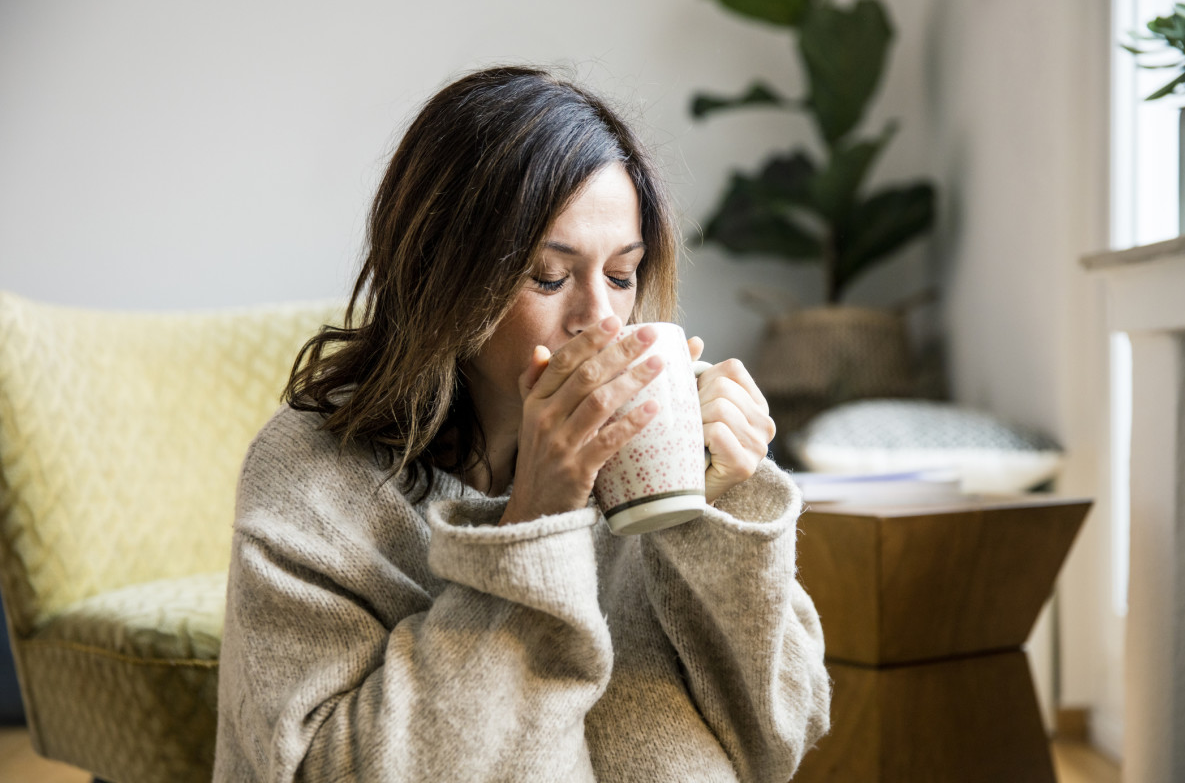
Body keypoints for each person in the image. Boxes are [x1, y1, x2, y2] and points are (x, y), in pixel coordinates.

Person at [213, 65, 830, 783]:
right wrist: (534, 525)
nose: (600, 319)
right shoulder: (313, 479)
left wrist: (717, 511)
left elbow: (776, 734)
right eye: (548, 275)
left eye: (623, 274)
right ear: (442, 276)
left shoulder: (646, 464)